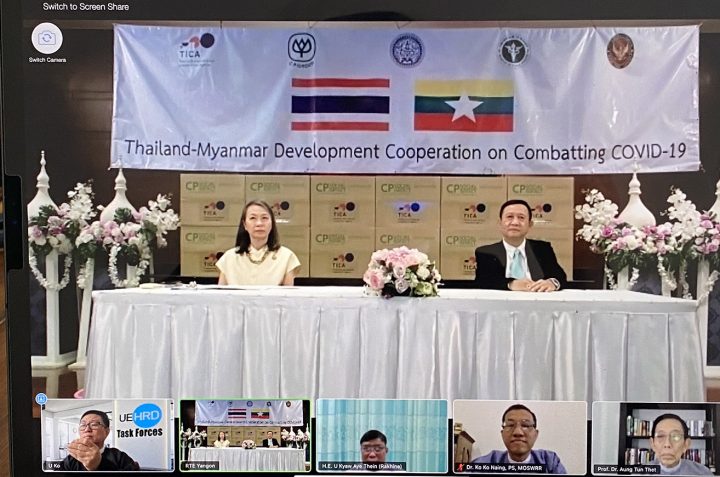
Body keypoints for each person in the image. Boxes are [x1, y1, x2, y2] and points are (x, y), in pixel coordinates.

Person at [474, 199, 567, 292]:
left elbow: (560, 276)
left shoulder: (542, 249)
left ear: (530, 224)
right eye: (510, 217)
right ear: (500, 223)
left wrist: (552, 283)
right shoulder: (486, 252)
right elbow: (483, 281)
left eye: (521, 217)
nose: (515, 222)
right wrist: (511, 284)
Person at [216, 200, 301, 286]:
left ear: (272, 223)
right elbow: (220, 294)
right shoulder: (229, 258)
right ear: (244, 224)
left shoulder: (286, 257)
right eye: (253, 218)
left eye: (264, 218)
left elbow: (288, 294)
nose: (259, 223)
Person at [471, 404, 567, 474]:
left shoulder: (549, 461)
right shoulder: (485, 463)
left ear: (536, 434)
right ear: (502, 433)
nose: (518, 432)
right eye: (510, 425)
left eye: (525, 425)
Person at [62, 410, 140, 471]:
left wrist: (100, 465)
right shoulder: (70, 459)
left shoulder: (120, 457)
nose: (87, 429)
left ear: (107, 431)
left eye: (94, 424)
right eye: (83, 425)